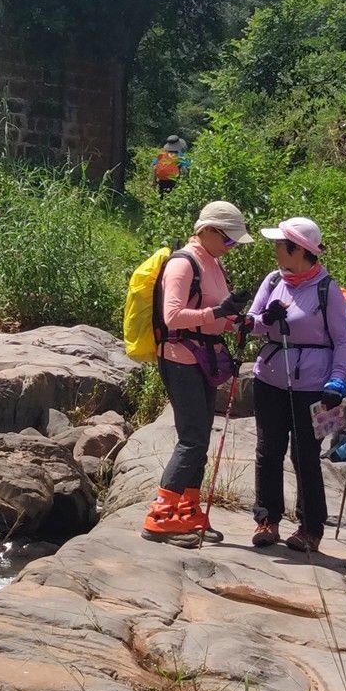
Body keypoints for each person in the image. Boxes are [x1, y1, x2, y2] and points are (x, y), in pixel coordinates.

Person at [140, 200, 254, 539]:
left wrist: (242, 319)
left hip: (202, 358)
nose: (231, 247)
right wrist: (218, 312)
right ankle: (160, 517)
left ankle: (187, 510)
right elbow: (172, 316)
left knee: (200, 437)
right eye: (229, 240)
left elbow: (215, 314)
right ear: (207, 230)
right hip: (180, 358)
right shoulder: (183, 264)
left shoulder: (213, 263)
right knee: (191, 440)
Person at [246, 217, 346, 553]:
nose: (275, 249)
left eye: (280, 244)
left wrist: (338, 378)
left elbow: (343, 338)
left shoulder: (327, 289)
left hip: (315, 388)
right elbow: (251, 324)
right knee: (268, 449)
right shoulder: (274, 279)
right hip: (270, 379)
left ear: (298, 250)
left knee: (306, 454)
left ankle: (310, 527)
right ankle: (267, 519)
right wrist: (266, 320)